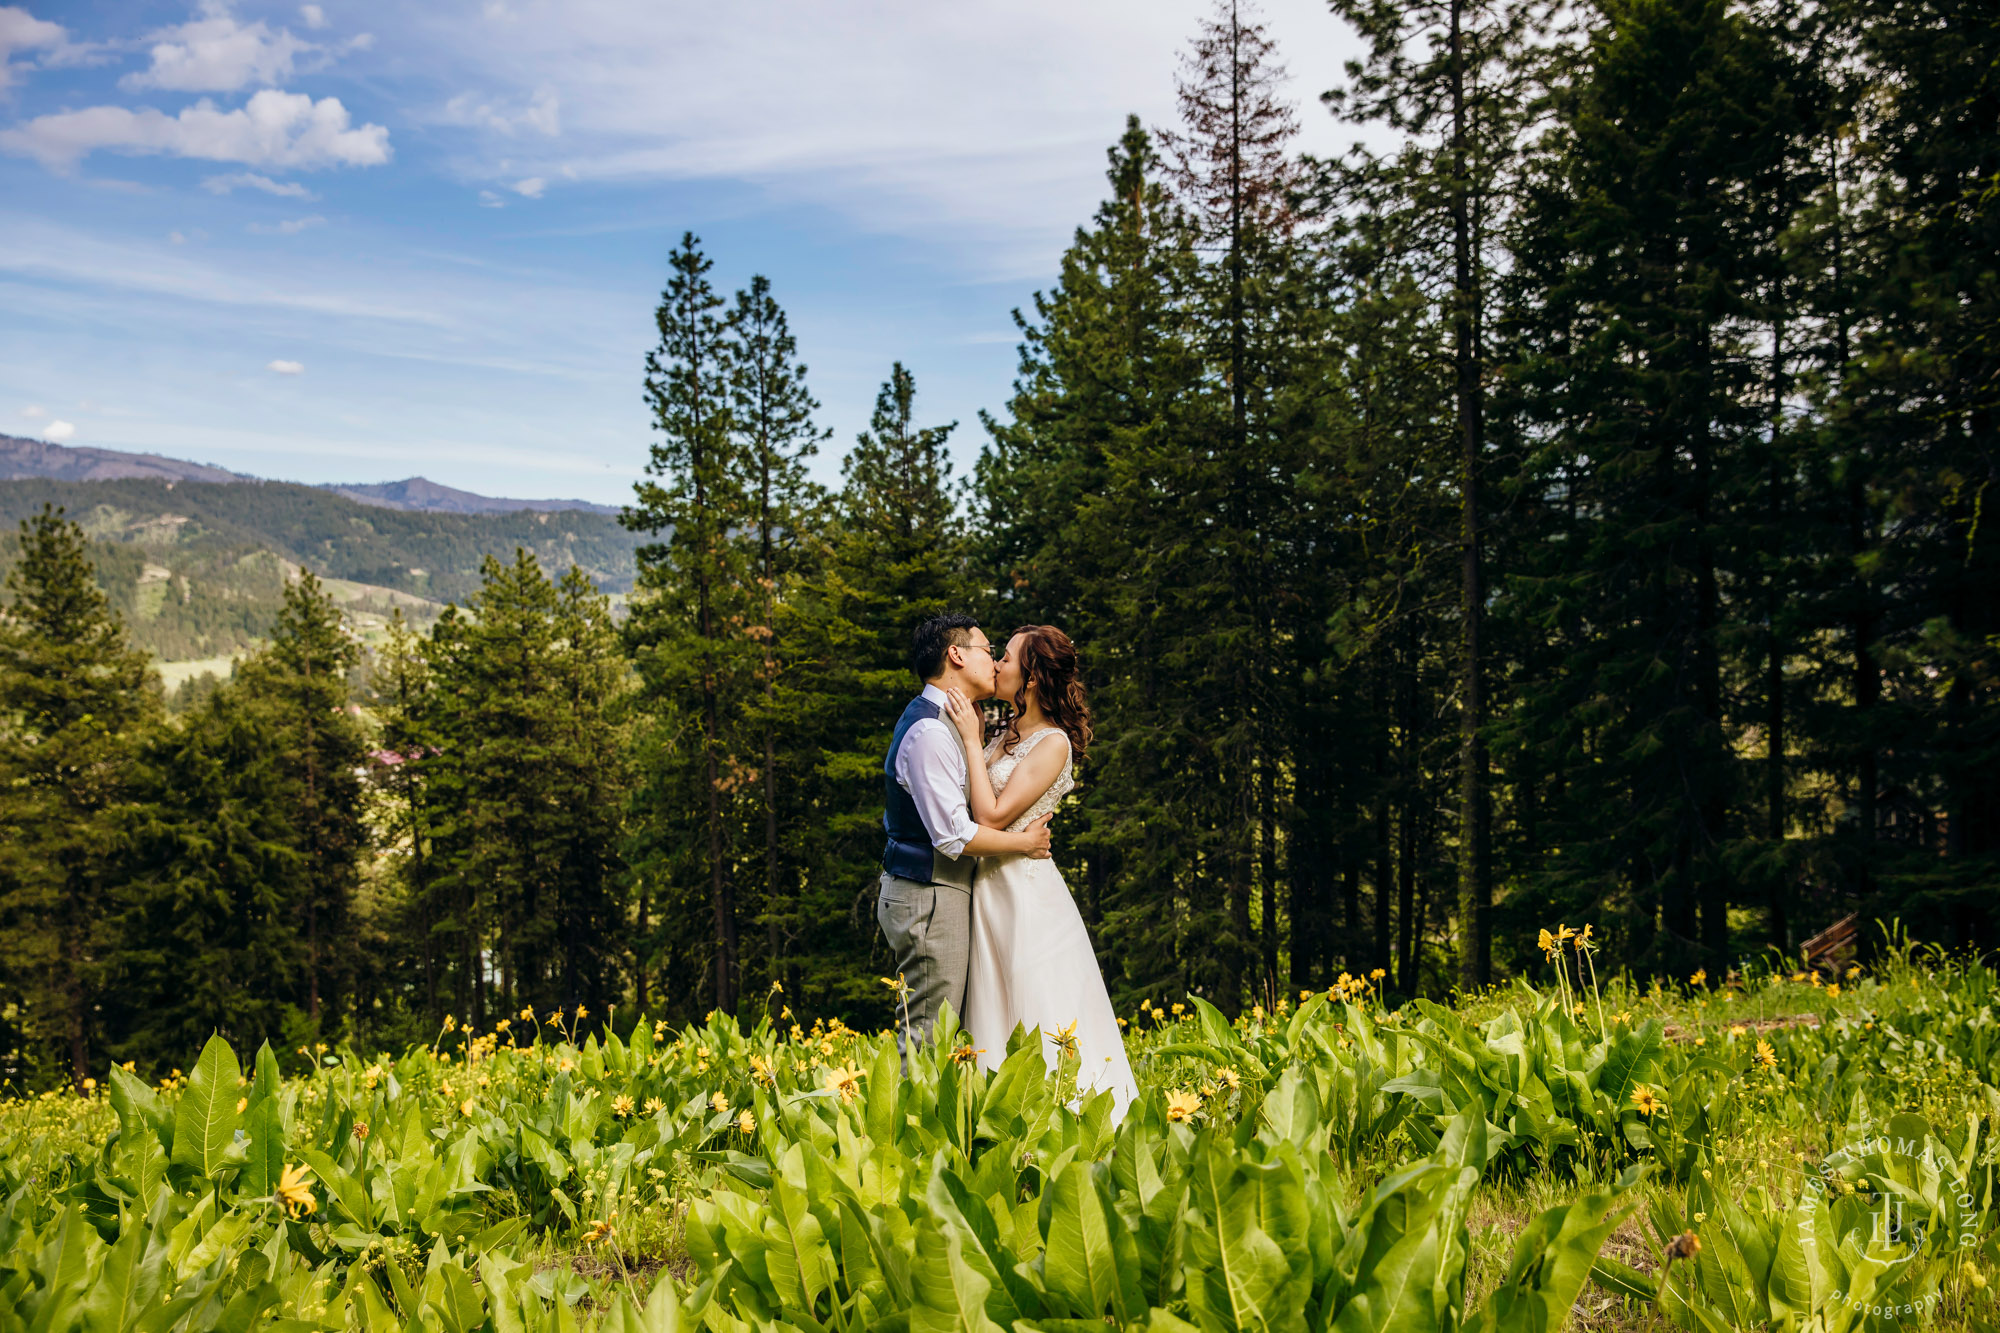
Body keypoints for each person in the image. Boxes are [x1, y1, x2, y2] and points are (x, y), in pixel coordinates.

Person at [942, 624, 1138, 1119]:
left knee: (1035, 1000)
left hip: (1026, 896)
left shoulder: (1052, 744)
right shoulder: (1004, 731)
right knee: (992, 1000)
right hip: (986, 888)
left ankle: (1065, 1119)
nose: (998, 665)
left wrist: (969, 739)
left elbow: (989, 815)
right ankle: (999, 1122)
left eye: (1006, 658)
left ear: (1029, 678)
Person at [876, 612, 1052, 1056]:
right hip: (928, 894)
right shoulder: (930, 731)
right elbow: (953, 837)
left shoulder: (952, 722)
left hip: (939, 892)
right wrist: (1025, 843)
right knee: (928, 1036)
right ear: (956, 655)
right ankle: (903, 1125)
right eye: (988, 651)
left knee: (944, 1031)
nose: (994, 664)